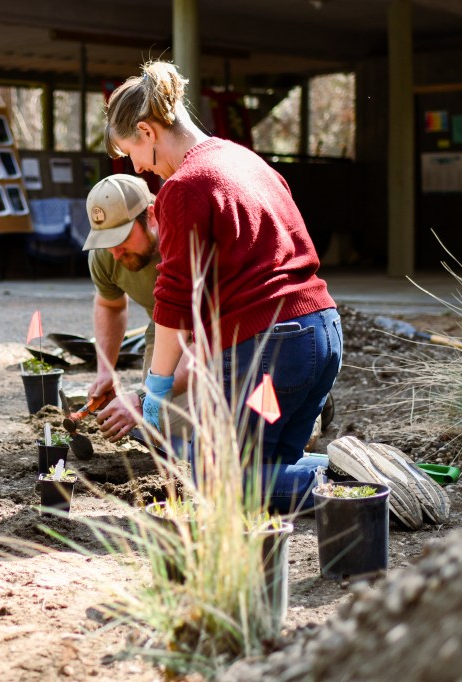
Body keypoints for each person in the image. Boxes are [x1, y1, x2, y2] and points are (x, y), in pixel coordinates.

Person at [103, 60, 342, 513]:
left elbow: (174, 302)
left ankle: (355, 481)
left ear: (147, 131)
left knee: (218, 483)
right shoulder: (244, 160)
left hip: (272, 357)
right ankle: (350, 472)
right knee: (271, 462)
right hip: (320, 338)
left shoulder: (184, 188)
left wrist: (152, 396)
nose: (135, 166)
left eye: (130, 150)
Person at [80, 174, 191, 444]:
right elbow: (110, 304)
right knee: (159, 426)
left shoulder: (183, 243)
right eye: (107, 240)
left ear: (151, 216)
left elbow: (207, 345)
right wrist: (106, 369)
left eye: (122, 238)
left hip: (218, 327)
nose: (115, 252)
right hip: (164, 324)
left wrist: (142, 396)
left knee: (205, 427)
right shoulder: (107, 253)